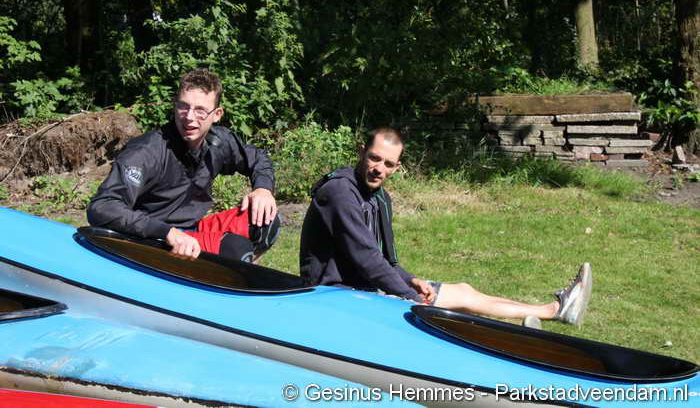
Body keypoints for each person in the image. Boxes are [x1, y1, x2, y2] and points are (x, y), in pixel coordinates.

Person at [300, 127, 592, 326]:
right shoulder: (340, 193)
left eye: (388, 164)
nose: (379, 169)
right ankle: (525, 330)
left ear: (397, 167)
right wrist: (412, 298)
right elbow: (367, 258)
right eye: (374, 158)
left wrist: (411, 280)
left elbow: (382, 259)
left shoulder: (378, 197)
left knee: (463, 291)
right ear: (362, 151)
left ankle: (554, 310)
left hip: (364, 284)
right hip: (337, 295)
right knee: (443, 314)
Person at [88, 68, 280, 263]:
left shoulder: (219, 142)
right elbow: (102, 207)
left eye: (200, 110)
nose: (189, 117)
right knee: (236, 250)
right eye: (183, 107)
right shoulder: (146, 152)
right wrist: (167, 232)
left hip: (193, 231)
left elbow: (258, 158)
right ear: (174, 105)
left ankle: (225, 272)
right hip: (154, 237)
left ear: (217, 114)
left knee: (266, 219)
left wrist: (263, 189)